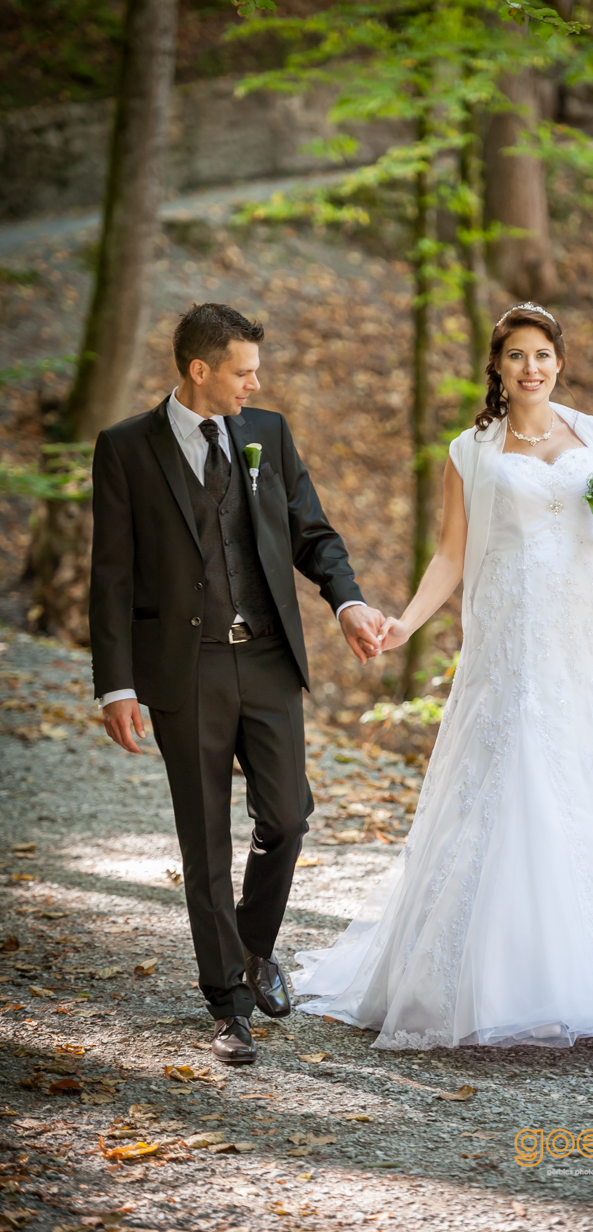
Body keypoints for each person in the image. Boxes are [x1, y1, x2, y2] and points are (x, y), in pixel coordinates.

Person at [292, 303, 593, 1050]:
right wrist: (406, 621)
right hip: (505, 627)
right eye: (516, 356)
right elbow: (451, 553)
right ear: (496, 368)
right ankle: (496, 979)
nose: (530, 367)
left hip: (580, 626)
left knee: (590, 771)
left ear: (558, 361)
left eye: (542, 355)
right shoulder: (470, 449)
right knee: (508, 769)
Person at [89, 302, 384, 1063]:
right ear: (199, 370)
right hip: (183, 671)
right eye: (244, 371)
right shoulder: (125, 449)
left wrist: (346, 600)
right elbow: (112, 575)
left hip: (267, 660)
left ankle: (252, 952)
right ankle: (228, 1005)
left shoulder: (268, 434)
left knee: (287, 817)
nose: (257, 383)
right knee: (204, 838)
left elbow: (313, 534)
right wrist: (115, 685)